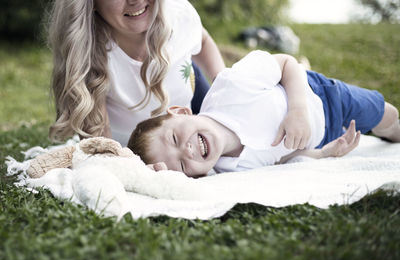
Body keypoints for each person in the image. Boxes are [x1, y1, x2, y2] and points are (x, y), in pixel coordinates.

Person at [47, 0, 311, 149]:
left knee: (247, 109)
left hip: (183, 97)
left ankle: (300, 72)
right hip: (153, 131)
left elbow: (204, 40)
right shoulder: (93, 55)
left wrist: (224, 80)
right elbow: (103, 145)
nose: (135, 1)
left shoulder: (177, 13)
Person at [128, 50, 400, 177]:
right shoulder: (231, 169)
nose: (186, 151)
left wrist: (297, 109)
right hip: (320, 137)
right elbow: (284, 157)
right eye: (183, 166)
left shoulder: (231, 88)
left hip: (322, 96)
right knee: (352, 134)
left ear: (180, 111)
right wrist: (325, 153)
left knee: (384, 115)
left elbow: (286, 63)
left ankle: (391, 129)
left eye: (174, 139)